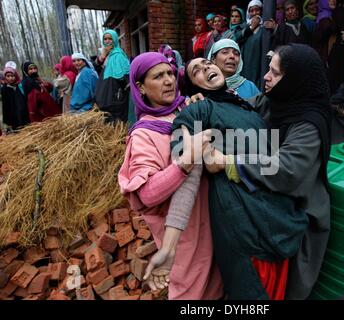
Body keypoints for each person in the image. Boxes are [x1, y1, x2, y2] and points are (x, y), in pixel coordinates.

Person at [145, 56, 309, 300]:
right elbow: (188, 170)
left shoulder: (245, 106)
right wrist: (169, 247)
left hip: (278, 217)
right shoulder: (198, 110)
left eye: (207, 63)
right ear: (194, 87)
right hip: (245, 224)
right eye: (196, 71)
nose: (206, 68)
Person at [202, 44, 332, 299]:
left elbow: (286, 170)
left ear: (295, 80)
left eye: (275, 72)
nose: (266, 76)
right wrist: (206, 105)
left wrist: (228, 162)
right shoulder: (277, 100)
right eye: (269, 69)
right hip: (268, 203)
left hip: (296, 214)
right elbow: (242, 108)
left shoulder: (309, 123)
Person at [117, 52, 223, 300]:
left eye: (170, 74)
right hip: (183, 237)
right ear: (141, 87)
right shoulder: (144, 135)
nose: (168, 81)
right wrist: (185, 162)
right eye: (157, 76)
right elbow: (148, 193)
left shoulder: (188, 108)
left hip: (215, 224)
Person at [313, 0, 344, 94]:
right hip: (328, 57)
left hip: (334, 56)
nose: (333, 1)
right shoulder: (324, 19)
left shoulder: (333, 15)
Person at [94, 29, 131, 123]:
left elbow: (126, 77)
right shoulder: (106, 56)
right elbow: (97, 70)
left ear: (115, 39)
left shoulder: (119, 55)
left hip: (115, 96)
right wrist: (102, 57)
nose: (107, 41)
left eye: (110, 38)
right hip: (105, 97)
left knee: (116, 124)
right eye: (105, 39)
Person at [237, 0, 264, 89]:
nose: (254, 13)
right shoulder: (244, 26)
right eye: (251, 11)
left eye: (257, 10)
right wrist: (252, 27)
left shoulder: (265, 27)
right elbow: (237, 37)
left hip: (259, 62)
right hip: (247, 62)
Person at [1, 67, 29, 132]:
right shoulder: (4, 89)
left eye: (12, 76)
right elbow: (5, 106)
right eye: (8, 76)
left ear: (15, 76)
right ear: (5, 77)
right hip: (13, 115)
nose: (11, 78)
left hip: (23, 113)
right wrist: (7, 121)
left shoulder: (19, 86)